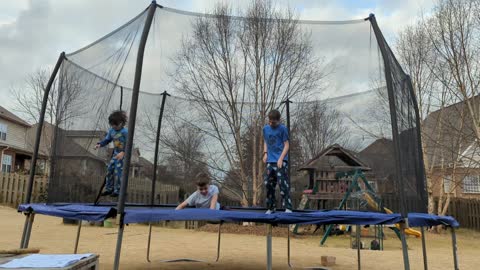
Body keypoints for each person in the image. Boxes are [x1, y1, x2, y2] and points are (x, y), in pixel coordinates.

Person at [263, 109, 292, 214]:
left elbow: (287, 145)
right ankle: (271, 207)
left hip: (281, 160)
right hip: (270, 160)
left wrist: (281, 158)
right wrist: (265, 153)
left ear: (278, 120)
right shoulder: (265, 129)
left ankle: (288, 207)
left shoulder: (283, 129)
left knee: (282, 183)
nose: (271, 123)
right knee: (268, 183)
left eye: (273, 122)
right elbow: (266, 141)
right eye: (270, 121)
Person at [95, 110, 128, 197]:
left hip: (123, 156)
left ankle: (118, 190)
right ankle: (109, 189)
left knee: (118, 172)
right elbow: (107, 140)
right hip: (115, 154)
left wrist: (123, 153)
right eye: (112, 124)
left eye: (115, 124)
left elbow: (129, 144)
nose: (113, 126)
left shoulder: (125, 132)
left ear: (121, 123)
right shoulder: (111, 131)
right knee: (109, 170)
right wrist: (100, 144)